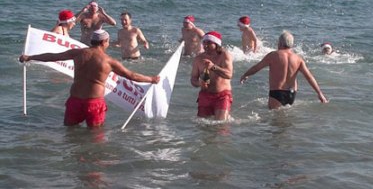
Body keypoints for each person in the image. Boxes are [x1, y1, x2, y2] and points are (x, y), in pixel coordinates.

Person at [19, 29, 160, 127]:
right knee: (95, 136)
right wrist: (151, 79)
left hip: (74, 100)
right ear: (104, 42)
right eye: (108, 41)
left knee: (70, 131)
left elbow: (53, 57)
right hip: (94, 104)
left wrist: (30, 57)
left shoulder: (78, 53)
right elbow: (131, 76)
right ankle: (93, 167)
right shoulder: (108, 61)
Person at [240, 31, 328, 109]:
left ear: (281, 43)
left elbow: (257, 67)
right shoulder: (298, 58)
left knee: (275, 121)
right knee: (286, 121)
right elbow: (309, 77)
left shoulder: (273, 55)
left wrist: (245, 74)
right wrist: (319, 93)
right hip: (292, 93)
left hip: (277, 92)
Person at [190, 31, 233, 120]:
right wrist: (199, 83)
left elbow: (229, 75)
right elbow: (193, 79)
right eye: (204, 42)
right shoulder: (198, 58)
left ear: (216, 44)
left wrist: (214, 67)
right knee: (203, 127)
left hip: (222, 95)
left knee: (221, 125)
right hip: (205, 95)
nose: (205, 45)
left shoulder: (224, 55)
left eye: (209, 43)